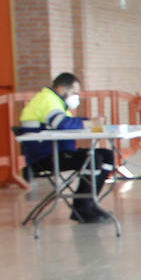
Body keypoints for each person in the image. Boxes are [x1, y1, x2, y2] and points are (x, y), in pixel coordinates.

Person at [17, 72, 114, 223]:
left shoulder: (56, 101)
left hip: (59, 152)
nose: (76, 97)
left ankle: (89, 202)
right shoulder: (47, 100)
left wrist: (90, 121)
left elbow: (69, 121)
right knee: (94, 159)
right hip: (46, 157)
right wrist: (90, 124)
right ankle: (82, 207)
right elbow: (62, 123)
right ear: (63, 89)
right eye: (74, 92)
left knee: (107, 155)